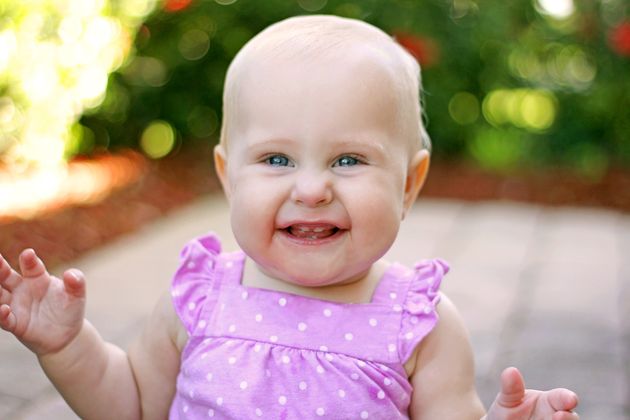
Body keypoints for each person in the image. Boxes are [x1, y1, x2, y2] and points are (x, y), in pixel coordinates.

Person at [0, 15, 579, 420]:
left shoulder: (419, 326)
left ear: (409, 183)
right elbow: (134, 407)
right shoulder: (198, 299)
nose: (311, 188)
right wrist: (66, 347)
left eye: (348, 160)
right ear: (229, 177)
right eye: (277, 159)